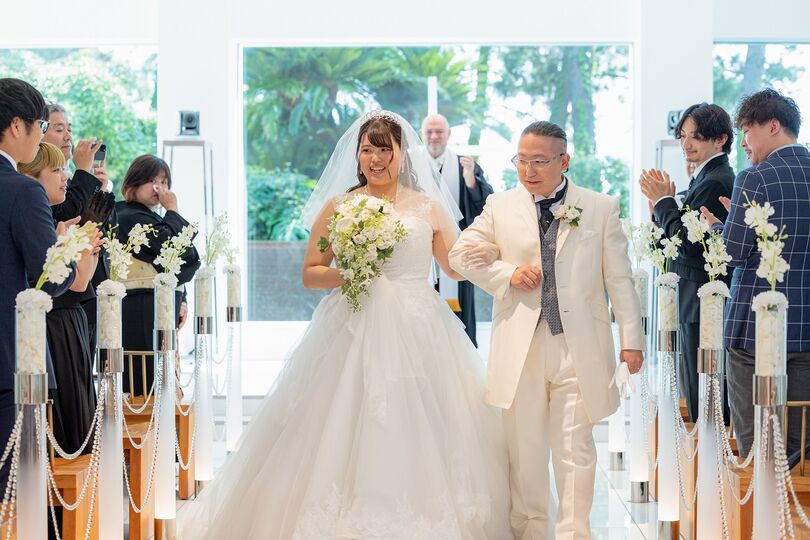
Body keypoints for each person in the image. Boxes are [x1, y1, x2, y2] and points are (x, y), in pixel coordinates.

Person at [178, 111, 512, 539]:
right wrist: (352, 274)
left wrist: (489, 255)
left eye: (385, 149)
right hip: (353, 325)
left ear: (402, 153)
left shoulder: (428, 207)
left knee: (425, 422)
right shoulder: (339, 207)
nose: (376, 158)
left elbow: (453, 267)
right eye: (367, 149)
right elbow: (311, 272)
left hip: (420, 328)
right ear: (356, 155)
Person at [450, 120, 645, 539]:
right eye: (522, 160)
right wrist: (506, 272)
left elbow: (620, 279)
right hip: (519, 345)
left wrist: (632, 340)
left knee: (575, 449)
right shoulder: (499, 205)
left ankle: (575, 534)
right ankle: (531, 532)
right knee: (525, 451)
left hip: (580, 345)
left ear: (564, 160)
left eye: (539, 161)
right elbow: (459, 255)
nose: (529, 170)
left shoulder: (600, 207)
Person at [701, 88, 810, 457]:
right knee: (798, 447)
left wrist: (720, 227)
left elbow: (732, 253)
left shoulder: (755, 178)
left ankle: (756, 497)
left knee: (755, 444)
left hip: (753, 330)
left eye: (748, 130)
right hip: (806, 332)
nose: (744, 142)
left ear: (773, 126)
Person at [0, 78, 77, 492]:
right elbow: (52, 279)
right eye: (41, 126)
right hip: (8, 360)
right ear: (17, 125)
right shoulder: (22, 190)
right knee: (13, 493)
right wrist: (65, 249)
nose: (41, 135)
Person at [639, 103, 735, 422]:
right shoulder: (704, 177)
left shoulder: (716, 180)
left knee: (704, 393)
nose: (686, 143)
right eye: (682, 135)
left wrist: (665, 201)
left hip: (702, 298)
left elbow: (688, 245)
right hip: (694, 297)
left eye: (696, 136)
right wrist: (662, 209)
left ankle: (709, 450)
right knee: (695, 388)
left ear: (721, 139)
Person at [19, 141, 102, 454]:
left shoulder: (58, 222)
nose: (65, 176)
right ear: (31, 178)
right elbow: (75, 283)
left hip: (70, 321)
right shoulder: (39, 222)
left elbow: (82, 282)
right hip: (52, 327)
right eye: (56, 170)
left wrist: (87, 244)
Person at [116, 155, 199, 396]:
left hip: (159, 305)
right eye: (152, 180)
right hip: (140, 307)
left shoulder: (153, 218)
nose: (159, 188)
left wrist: (183, 300)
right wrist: (172, 209)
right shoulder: (127, 215)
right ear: (134, 182)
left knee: (162, 377)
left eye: (164, 182)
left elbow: (184, 262)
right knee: (145, 382)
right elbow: (175, 251)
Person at [44, 103, 116, 352]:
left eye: (69, 129)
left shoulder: (75, 180)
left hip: (91, 288)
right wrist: (83, 172)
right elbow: (66, 219)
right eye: (59, 129)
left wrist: (100, 191)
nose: (68, 136)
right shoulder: (39, 183)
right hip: (62, 299)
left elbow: (104, 232)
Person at [422, 113, 493, 346]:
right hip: (421, 250)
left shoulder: (465, 164)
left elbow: (484, 206)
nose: (434, 136)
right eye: (429, 132)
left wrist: (470, 179)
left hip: (455, 248)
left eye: (439, 131)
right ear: (422, 134)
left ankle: (460, 352)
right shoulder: (411, 166)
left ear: (448, 134)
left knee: (458, 308)